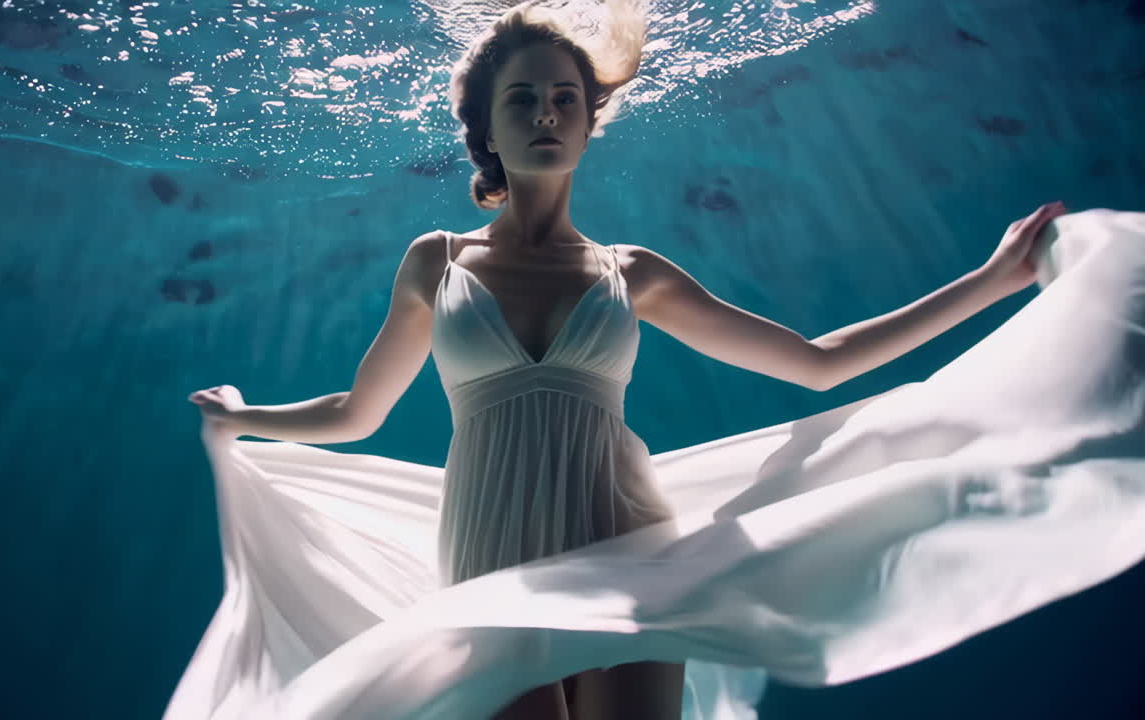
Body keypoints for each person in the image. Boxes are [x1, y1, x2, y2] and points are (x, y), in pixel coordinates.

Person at [178, 3, 1122, 719]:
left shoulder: (634, 273)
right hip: (487, 560)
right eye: (523, 100)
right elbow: (357, 412)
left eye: (564, 99)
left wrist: (994, 282)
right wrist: (242, 419)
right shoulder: (439, 262)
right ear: (487, 131)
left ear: (590, 122)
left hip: (628, 546)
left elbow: (818, 363)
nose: (546, 113)